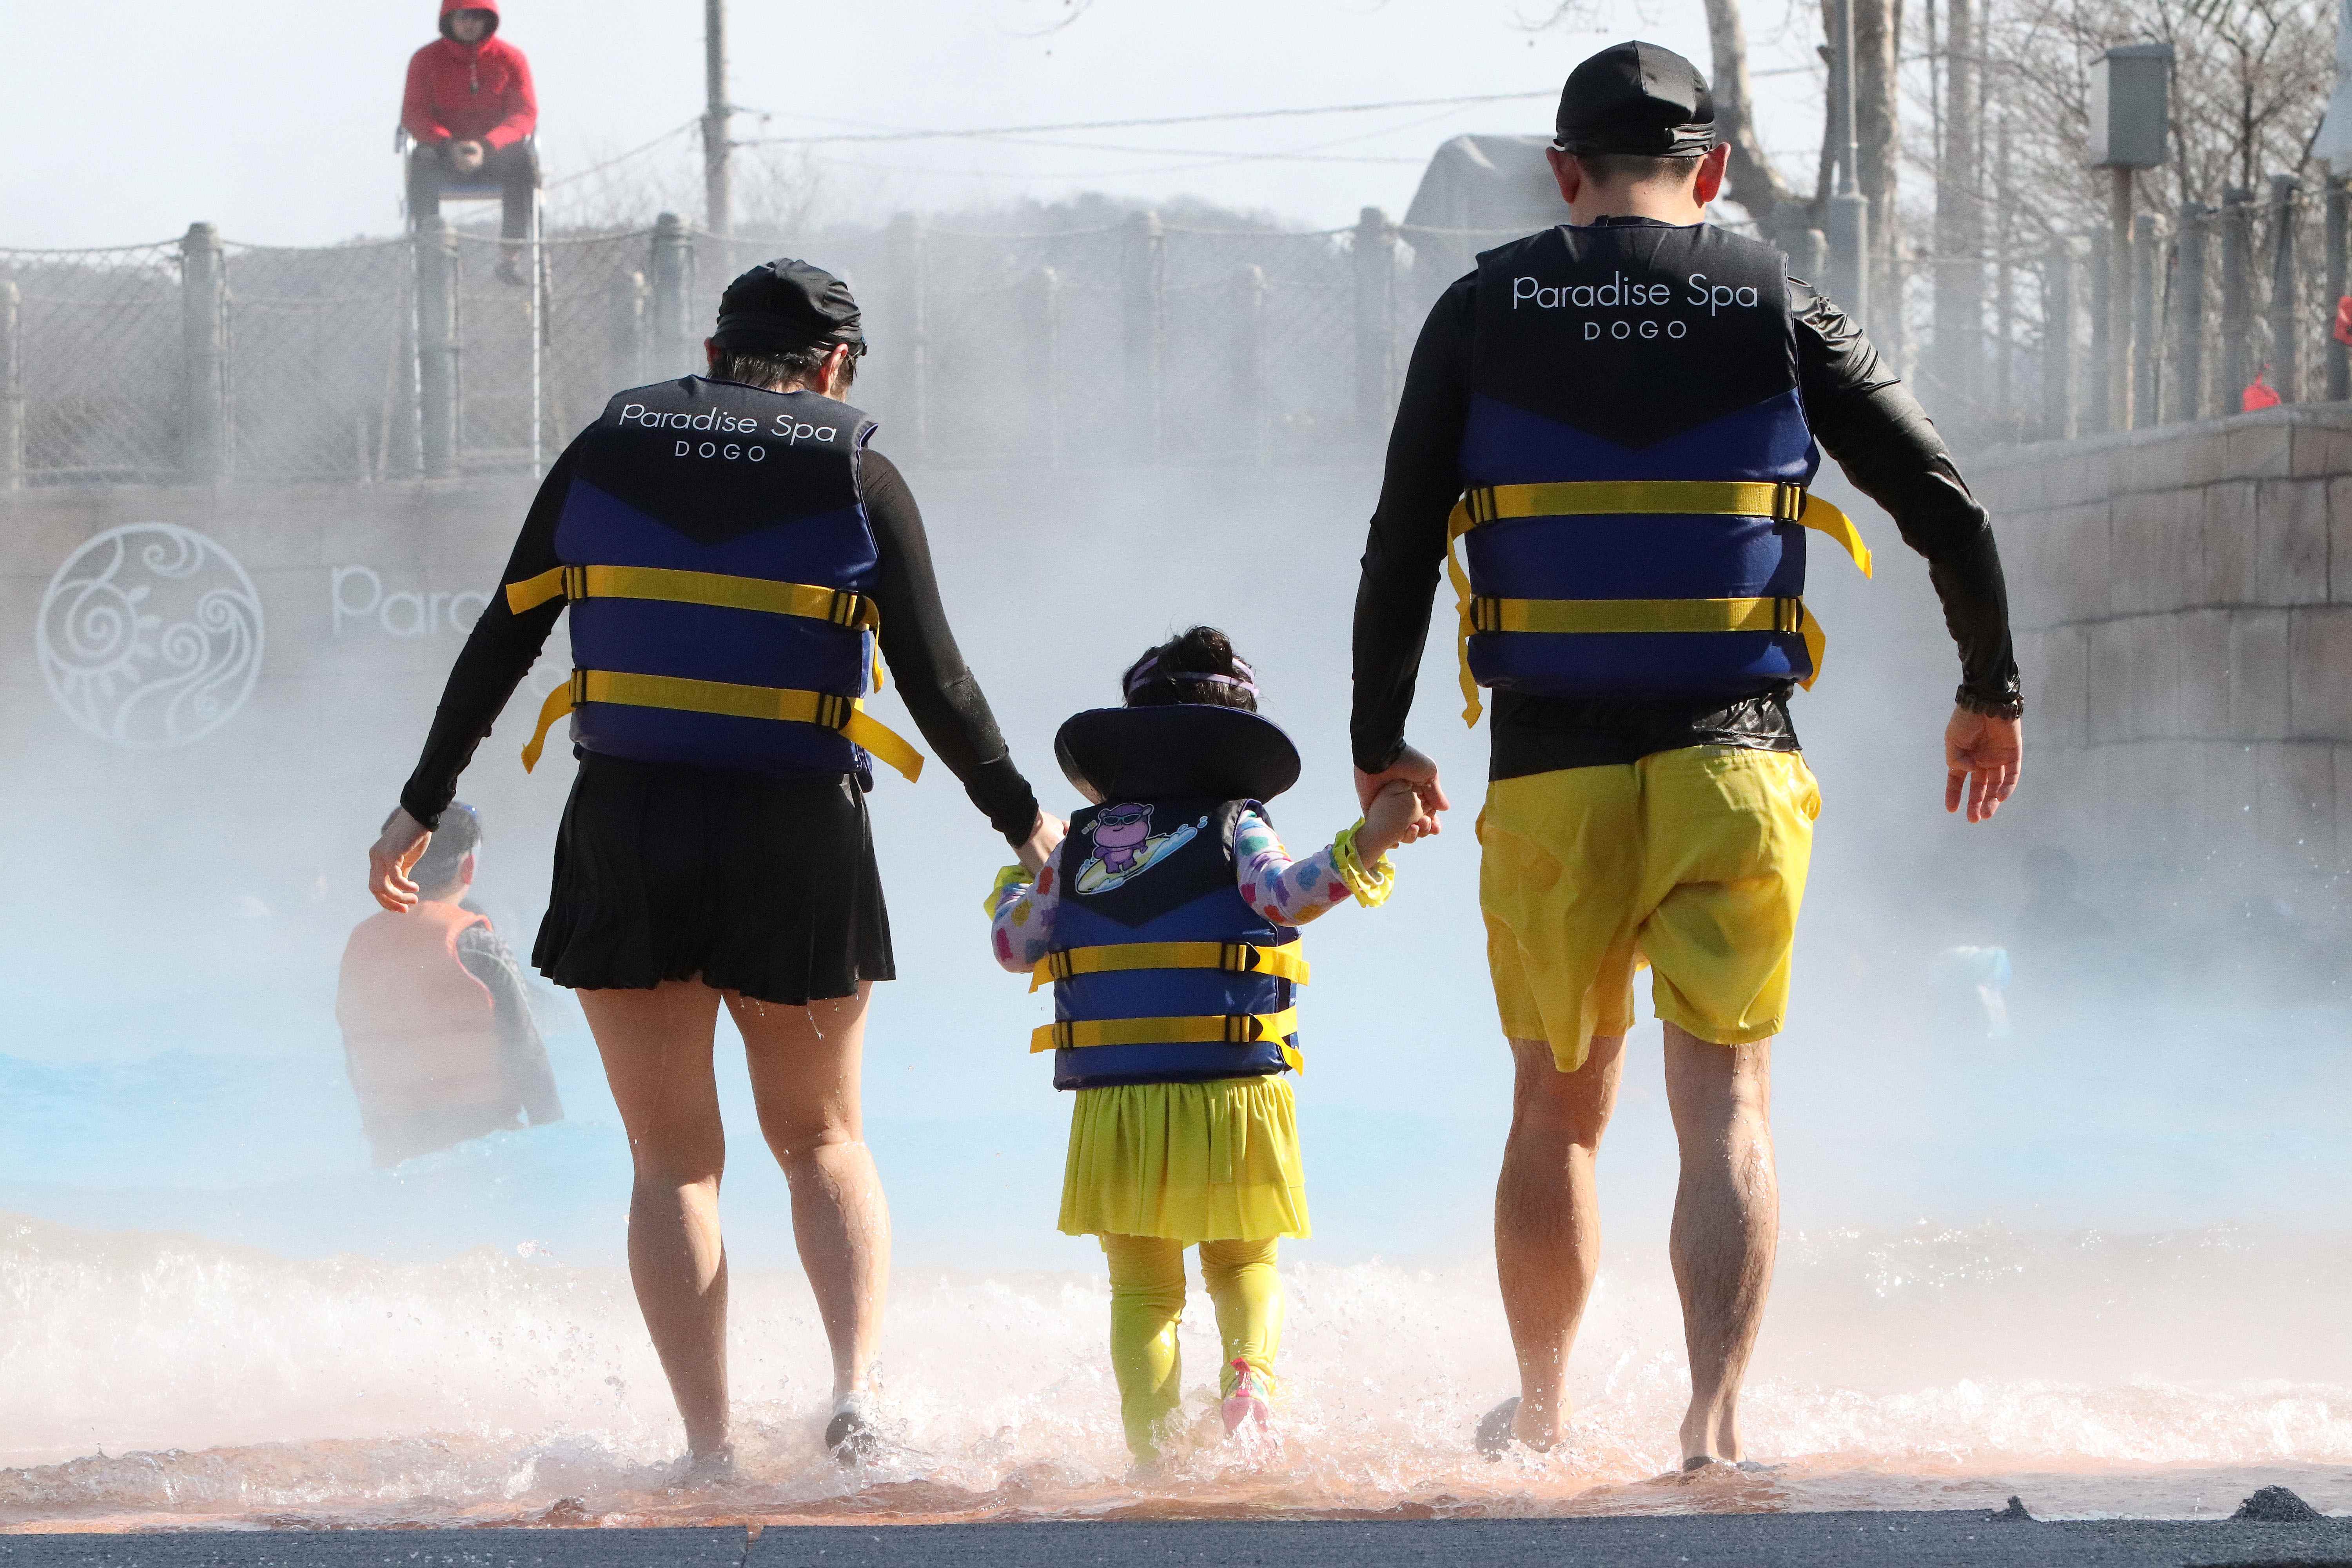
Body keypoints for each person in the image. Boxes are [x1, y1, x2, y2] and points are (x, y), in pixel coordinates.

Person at [1347, 40, 2025, 1467]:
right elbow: (1945, 505)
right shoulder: (1779, 306)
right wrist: (1987, 686)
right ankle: (1710, 1425)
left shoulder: (1478, 311)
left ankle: (1541, 1416)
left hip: (1551, 771)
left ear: (1562, 173)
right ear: (1709, 171)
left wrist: (1377, 741)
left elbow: (1400, 542)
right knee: (1724, 1099)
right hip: (1735, 760)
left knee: (1556, 1109)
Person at [364, 257, 1063, 1474]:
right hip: (796, 827)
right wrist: (1022, 820)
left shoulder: (603, 452)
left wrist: (420, 803)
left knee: (672, 1162)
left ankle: (707, 1449)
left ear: (712, 352)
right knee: (823, 1140)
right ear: (834, 368)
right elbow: (937, 681)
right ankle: (854, 1400)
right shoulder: (858, 473)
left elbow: (504, 636)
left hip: (628, 823)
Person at [987, 627, 1435, 1472]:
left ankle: (1156, 1460)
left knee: (1143, 1292)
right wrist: (1370, 837)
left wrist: (1019, 878)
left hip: (1121, 1104)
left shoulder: (1077, 845)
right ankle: (1251, 1380)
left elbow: (1015, 947)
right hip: (1235, 1091)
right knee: (1244, 1263)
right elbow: (1288, 896)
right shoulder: (1240, 825)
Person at [336, 800, 563, 1169]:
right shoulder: (476, 944)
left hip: (395, 1150)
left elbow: (354, 1057)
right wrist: (555, 1148)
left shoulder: (359, 947)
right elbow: (528, 1054)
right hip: (483, 1146)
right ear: (468, 868)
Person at [402, 0, 539, 282]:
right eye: (462, 16)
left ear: (489, 19)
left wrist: (486, 146)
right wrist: (448, 145)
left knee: (522, 162)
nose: (469, 23)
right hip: (443, 153)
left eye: (477, 15)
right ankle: (431, 252)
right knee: (421, 162)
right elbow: (414, 114)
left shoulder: (511, 60)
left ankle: (510, 256)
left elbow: (524, 113)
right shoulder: (425, 60)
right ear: (449, 19)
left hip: (495, 154)